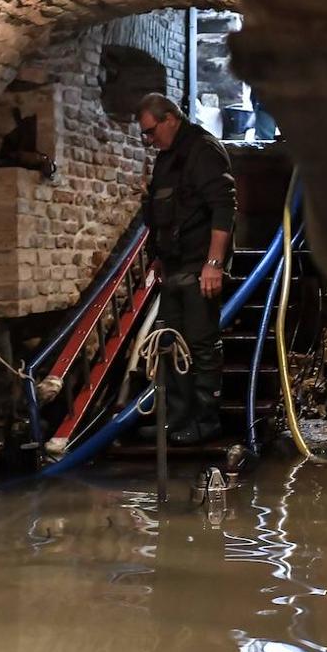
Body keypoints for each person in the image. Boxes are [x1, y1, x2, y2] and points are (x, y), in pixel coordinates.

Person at [136, 93, 237, 444]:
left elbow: (224, 207)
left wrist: (214, 263)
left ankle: (205, 421)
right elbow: (164, 212)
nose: (149, 141)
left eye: (150, 132)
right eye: (144, 136)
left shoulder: (203, 150)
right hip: (175, 265)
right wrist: (160, 256)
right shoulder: (167, 159)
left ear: (170, 119)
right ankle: (177, 418)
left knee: (201, 344)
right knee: (171, 344)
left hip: (199, 265)